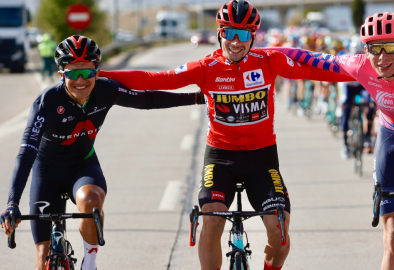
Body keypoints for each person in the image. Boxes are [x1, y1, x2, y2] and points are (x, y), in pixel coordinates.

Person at [98, 1, 353, 269]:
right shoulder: (205, 67)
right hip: (220, 161)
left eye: (243, 35)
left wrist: (371, 76)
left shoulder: (269, 62)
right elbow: (153, 79)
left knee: (280, 233)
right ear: (220, 33)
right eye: (229, 33)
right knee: (211, 221)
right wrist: (96, 75)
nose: (235, 42)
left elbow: (315, 71)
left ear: (253, 37)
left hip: (262, 161)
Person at [266, 12, 394, 270]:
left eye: (390, 47)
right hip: (392, 143)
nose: (382, 57)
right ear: (366, 50)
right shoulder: (360, 65)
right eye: (375, 48)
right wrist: (257, 47)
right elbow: (312, 59)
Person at [0, 35, 202, 270]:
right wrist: (12, 203)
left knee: (91, 200)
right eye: (73, 73)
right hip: (47, 172)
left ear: (97, 71)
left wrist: (197, 97)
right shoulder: (46, 102)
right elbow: (26, 154)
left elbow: (147, 99)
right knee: (42, 259)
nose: (81, 80)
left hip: (82, 167)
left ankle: (90, 265)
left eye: (87, 72)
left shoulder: (106, 90)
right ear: (61, 74)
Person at [338, 34, 376, 158]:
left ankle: (366, 137)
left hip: (361, 86)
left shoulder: (370, 59)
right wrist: (342, 100)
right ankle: (344, 144)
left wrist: (372, 99)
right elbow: (339, 81)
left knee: (370, 105)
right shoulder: (345, 58)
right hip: (348, 85)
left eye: (361, 54)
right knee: (346, 109)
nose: (359, 57)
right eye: (356, 54)